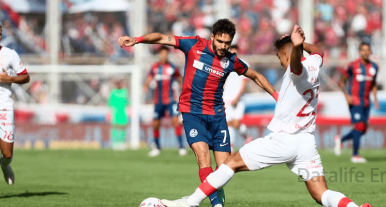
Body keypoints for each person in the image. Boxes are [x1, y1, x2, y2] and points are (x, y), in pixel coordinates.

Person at [160, 25, 371, 207]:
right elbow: (319, 51)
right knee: (321, 194)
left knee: (230, 163)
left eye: (280, 57)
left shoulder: (296, 72)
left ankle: (190, 202)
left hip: (284, 140)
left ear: (287, 56)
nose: (280, 62)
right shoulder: (314, 64)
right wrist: (299, 43)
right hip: (306, 143)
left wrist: (296, 46)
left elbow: (295, 64)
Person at [118, 19, 277, 207]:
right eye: (220, 41)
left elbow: (256, 76)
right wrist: (136, 40)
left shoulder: (231, 61)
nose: (223, 46)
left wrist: (277, 97)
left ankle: (210, 189)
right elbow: (162, 38)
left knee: (225, 168)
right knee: (202, 157)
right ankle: (216, 204)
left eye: (227, 43)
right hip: (192, 113)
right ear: (212, 37)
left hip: (217, 116)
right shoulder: (194, 45)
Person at [334, 42, 379, 163]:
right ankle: (355, 155)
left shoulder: (374, 67)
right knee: (359, 126)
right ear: (359, 52)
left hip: (366, 101)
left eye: (367, 50)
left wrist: (375, 98)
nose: (365, 52)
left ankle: (341, 139)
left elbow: (374, 83)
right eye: (363, 50)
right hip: (354, 100)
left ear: (370, 52)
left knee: (363, 129)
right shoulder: (352, 66)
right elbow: (342, 82)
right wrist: (346, 95)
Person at [0, 22, 31, 185]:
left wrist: (9, 78)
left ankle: (4, 166)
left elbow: (25, 77)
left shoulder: (10, 54)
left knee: (7, 154)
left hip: (4, 108)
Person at [144, 46, 186, 157]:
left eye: (166, 53)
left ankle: (181, 147)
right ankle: (157, 147)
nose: (164, 55)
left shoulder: (172, 67)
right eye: (162, 53)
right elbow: (148, 79)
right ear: (159, 54)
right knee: (156, 124)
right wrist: (145, 87)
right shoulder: (155, 67)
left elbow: (180, 78)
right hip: (158, 101)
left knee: (175, 121)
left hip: (171, 99)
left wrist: (184, 90)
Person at [223, 45, 251, 153]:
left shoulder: (243, 65)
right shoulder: (225, 65)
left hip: (238, 99)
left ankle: (247, 137)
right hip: (226, 98)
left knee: (236, 123)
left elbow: (244, 83)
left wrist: (237, 97)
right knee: (229, 123)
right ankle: (231, 146)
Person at [108, 79, 129, 150]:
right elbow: (110, 103)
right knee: (115, 127)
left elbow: (128, 102)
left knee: (123, 127)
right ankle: (115, 142)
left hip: (123, 112)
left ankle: (122, 142)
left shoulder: (125, 91)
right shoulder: (113, 92)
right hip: (115, 112)